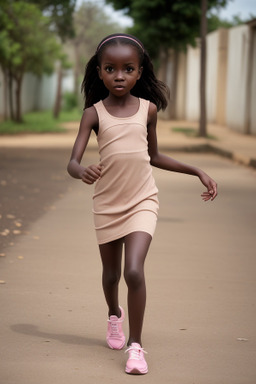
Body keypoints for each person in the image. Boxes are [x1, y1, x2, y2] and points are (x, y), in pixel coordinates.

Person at [67, 33, 217, 375]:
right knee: (111, 275)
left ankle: (136, 347)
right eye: (111, 69)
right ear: (100, 72)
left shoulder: (148, 110)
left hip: (141, 201)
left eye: (128, 69)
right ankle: (113, 316)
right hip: (107, 202)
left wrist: (196, 170)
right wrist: (81, 171)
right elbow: (72, 162)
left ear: (139, 72)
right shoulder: (93, 114)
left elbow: (154, 156)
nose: (119, 75)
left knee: (133, 271)